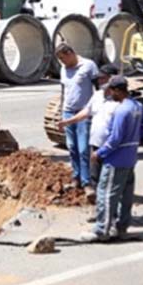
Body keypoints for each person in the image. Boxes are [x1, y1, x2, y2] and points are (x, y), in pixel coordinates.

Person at [81, 75, 143, 242]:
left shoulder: (121, 111)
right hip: (130, 157)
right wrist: (136, 138)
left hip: (116, 159)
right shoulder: (137, 106)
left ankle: (101, 230)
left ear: (118, 91)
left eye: (111, 90)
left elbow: (115, 138)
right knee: (126, 195)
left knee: (106, 194)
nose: (109, 93)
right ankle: (122, 228)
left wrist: (99, 153)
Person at [58, 64, 120, 198]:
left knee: (110, 180)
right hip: (97, 145)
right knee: (97, 177)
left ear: (112, 79)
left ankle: (114, 212)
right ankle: (99, 209)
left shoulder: (121, 101)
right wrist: (67, 122)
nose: (100, 82)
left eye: (103, 79)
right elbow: (86, 112)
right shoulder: (97, 96)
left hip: (112, 147)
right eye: (99, 79)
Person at [56, 42, 98, 192]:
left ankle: (87, 182)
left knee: (83, 149)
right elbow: (64, 90)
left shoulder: (88, 66)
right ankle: (76, 177)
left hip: (83, 113)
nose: (62, 62)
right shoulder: (63, 69)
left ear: (70, 54)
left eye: (63, 58)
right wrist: (60, 111)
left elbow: (98, 89)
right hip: (68, 112)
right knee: (72, 147)